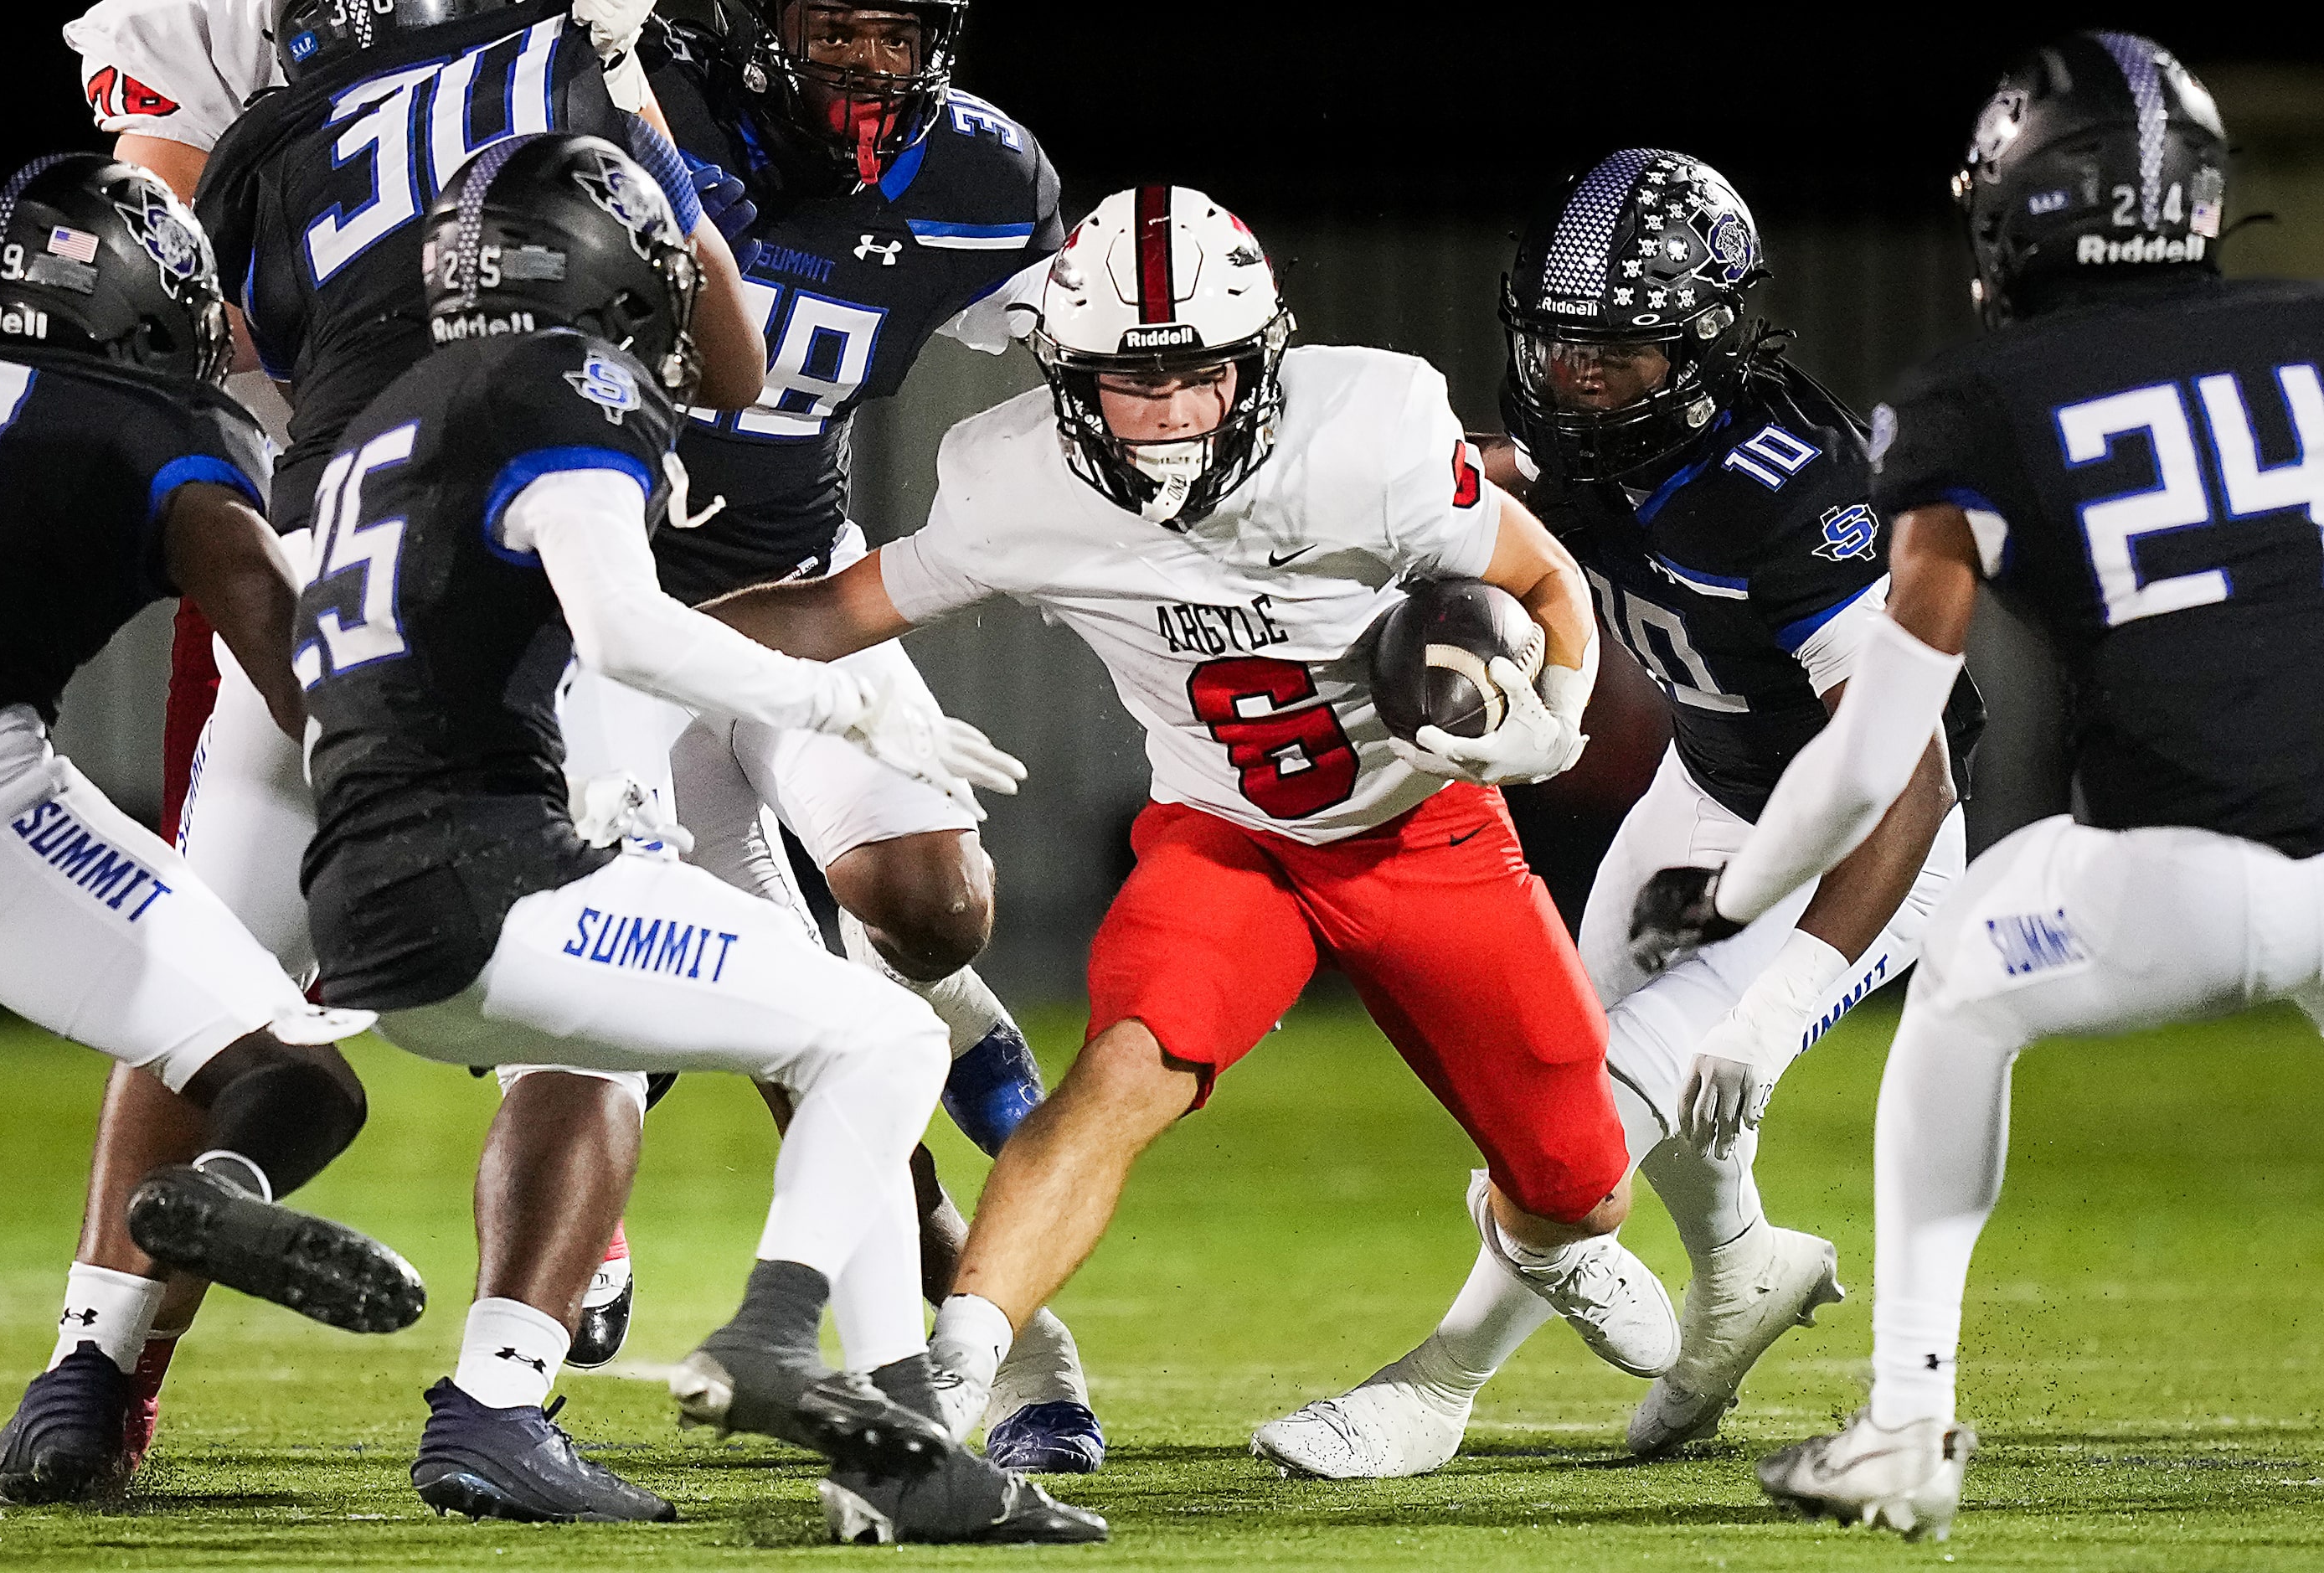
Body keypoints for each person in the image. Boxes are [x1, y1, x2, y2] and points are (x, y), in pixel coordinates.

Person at [698, 183, 1685, 1447]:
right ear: (1065, 376)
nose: (1164, 414)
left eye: (1197, 377)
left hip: (1423, 830)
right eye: (1126, 381)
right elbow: (827, 612)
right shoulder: (1017, 483)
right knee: (1117, 1076)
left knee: (1579, 1187)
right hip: (1229, 837)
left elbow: (1541, 574)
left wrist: (1552, 712)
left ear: (1259, 361)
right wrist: (612, 634)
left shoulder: (1366, 439)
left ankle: (1542, 1236)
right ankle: (954, 1368)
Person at [292, 129, 1098, 1544]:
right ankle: (781, 1342)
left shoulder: (391, 411)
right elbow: (624, 624)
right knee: (886, 1036)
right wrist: (837, 704)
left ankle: (898, 1446)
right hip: (490, 880)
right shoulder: (568, 380)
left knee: (839, 1034)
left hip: (370, 893)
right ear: (609, 276)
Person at [12, 0, 762, 1490]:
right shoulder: (570, 65)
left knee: (204, 979)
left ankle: (83, 1383)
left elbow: (188, 339)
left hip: (320, 572)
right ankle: (499, 1400)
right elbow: (729, 365)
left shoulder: (255, 151)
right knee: (589, 1011)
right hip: (525, 574)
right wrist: (638, 121)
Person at [1621, 34, 2324, 1542]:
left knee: (1957, 988)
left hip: (2175, 872)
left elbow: (1881, 748)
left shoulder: (1976, 395)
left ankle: (1903, 1423)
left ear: (2013, 209)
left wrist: (1733, 895)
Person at [1250, 151, 1979, 1477]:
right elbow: (1466, 476)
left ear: (1701, 344)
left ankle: (1435, 1387)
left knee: (1612, 1079)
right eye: (1558, 347)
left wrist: (1777, 1000)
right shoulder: (1592, 446)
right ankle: (1743, 1267)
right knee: (1565, 1091)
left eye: (1616, 355)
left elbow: (1907, 777)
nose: (1577, 378)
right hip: (1704, 793)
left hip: (1862, 836)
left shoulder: (1791, 491)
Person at [611, 0, 1100, 1471]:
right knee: (798, 1029)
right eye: (833, 21)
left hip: (796, 588)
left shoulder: (980, 181)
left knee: (933, 907)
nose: (867, 60)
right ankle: (988, 1347)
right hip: (614, 624)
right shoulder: (634, 117)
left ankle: (941, 1047)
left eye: (899, 29)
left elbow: (1094, 364)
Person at [0, 153, 420, 1506]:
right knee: (297, 1078)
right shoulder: (162, 426)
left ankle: (74, 1404)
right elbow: (280, 641)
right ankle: (203, 1193)